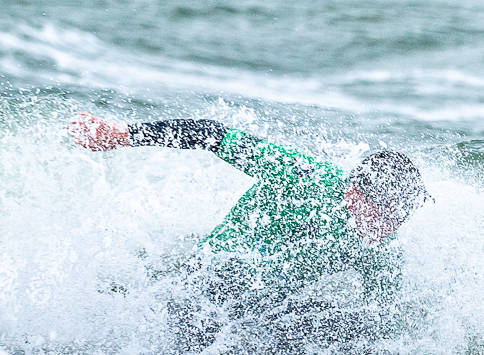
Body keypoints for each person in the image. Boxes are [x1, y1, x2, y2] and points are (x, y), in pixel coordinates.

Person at [68, 113, 428, 301]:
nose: (389, 227)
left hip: (265, 306)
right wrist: (123, 135)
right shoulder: (304, 176)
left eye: (400, 217)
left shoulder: (383, 250)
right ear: (354, 194)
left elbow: (381, 315)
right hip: (210, 280)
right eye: (385, 213)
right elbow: (210, 133)